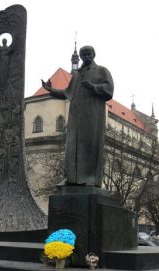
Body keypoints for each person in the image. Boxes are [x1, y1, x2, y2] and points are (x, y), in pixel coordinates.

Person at [42, 46, 114, 187]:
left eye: (88, 54)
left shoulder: (101, 70)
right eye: (84, 54)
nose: (86, 56)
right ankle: (71, 179)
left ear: (93, 55)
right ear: (80, 57)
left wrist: (93, 87)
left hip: (92, 115)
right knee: (72, 146)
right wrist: (51, 90)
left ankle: (90, 179)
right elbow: (66, 93)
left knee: (89, 145)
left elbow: (109, 88)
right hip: (75, 116)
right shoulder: (77, 75)